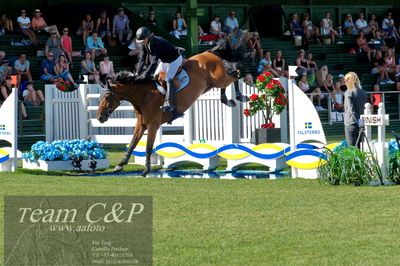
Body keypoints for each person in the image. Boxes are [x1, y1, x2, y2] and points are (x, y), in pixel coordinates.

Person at [135, 27, 182, 112]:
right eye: (140, 41)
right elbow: (142, 59)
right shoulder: (144, 43)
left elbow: (153, 63)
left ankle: (169, 104)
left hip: (174, 60)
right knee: (155, 76)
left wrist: (145, 74)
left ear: (148, 37)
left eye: (142, 40)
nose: (141, 43)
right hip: (165, 61)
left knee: (168, 78)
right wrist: (137, 74)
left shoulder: (157, 43)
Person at [344, 72, 368, 147]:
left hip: (351, 123)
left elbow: (351, 110)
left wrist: (357, 122)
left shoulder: (348, 92)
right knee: (360, 147)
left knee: (351, 148)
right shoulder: (363, 92)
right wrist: (360, 123)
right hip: (361, 123)